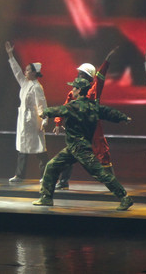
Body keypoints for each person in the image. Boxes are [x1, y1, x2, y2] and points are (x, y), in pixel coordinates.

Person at [33, 75, 133, 211]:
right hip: (74, 148)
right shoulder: (93, 106)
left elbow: (58, 110)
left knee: (101, 174)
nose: (72, 90)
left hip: (80, 148)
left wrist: (45, 112)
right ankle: (46, 198)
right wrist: (123, 117)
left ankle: (125, 197)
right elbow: (108, 112)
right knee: (52, 166)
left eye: (74, 88)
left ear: (79, 90)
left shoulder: (72, 106)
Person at [53, 48, 116, 190]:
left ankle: (112, 184)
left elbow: (100, 77)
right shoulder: (73, 92)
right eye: (79, 74)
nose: (79, 76)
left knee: (103, 154)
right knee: (71, 152)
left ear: (88, 78)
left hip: (93, 129)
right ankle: (63, 182)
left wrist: (107, 60)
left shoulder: (94, 90)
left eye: (82, 74)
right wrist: (58, 122)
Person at [4, 41, 48, 182]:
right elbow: (17, 71)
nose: (25, 72)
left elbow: (41, 105)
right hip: (23, 119)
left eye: (28, 70)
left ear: (34, 73)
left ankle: (46, 175)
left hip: (33, 121)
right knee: (22, 147)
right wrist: (11, 55)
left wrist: (45, 119)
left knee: (39, 149)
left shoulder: (36, 87)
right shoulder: (25, 83)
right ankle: (20, 175)